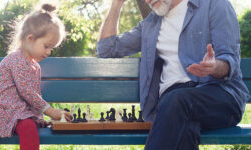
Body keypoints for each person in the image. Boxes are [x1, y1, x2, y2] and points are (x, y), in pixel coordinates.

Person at [97, 0, 250, 149]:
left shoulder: (214, 4)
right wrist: (116, 3)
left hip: (218, 95)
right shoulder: (150, 25)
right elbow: (106, 49)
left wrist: (215, 67)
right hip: (172, 106)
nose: (147, 0)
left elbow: (230, 59)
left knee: (176, 102)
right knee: (184, 128)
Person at [0, 3, 71, 150]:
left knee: (29, 128)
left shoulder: (35, 66)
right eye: (46, 46)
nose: (48, 52)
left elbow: (35, 94)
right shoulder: (16, 59)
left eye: (51, 48)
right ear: (30, 38)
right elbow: (27, 92)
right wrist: (51, 112)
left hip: (19, 113)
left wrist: (39, 118)